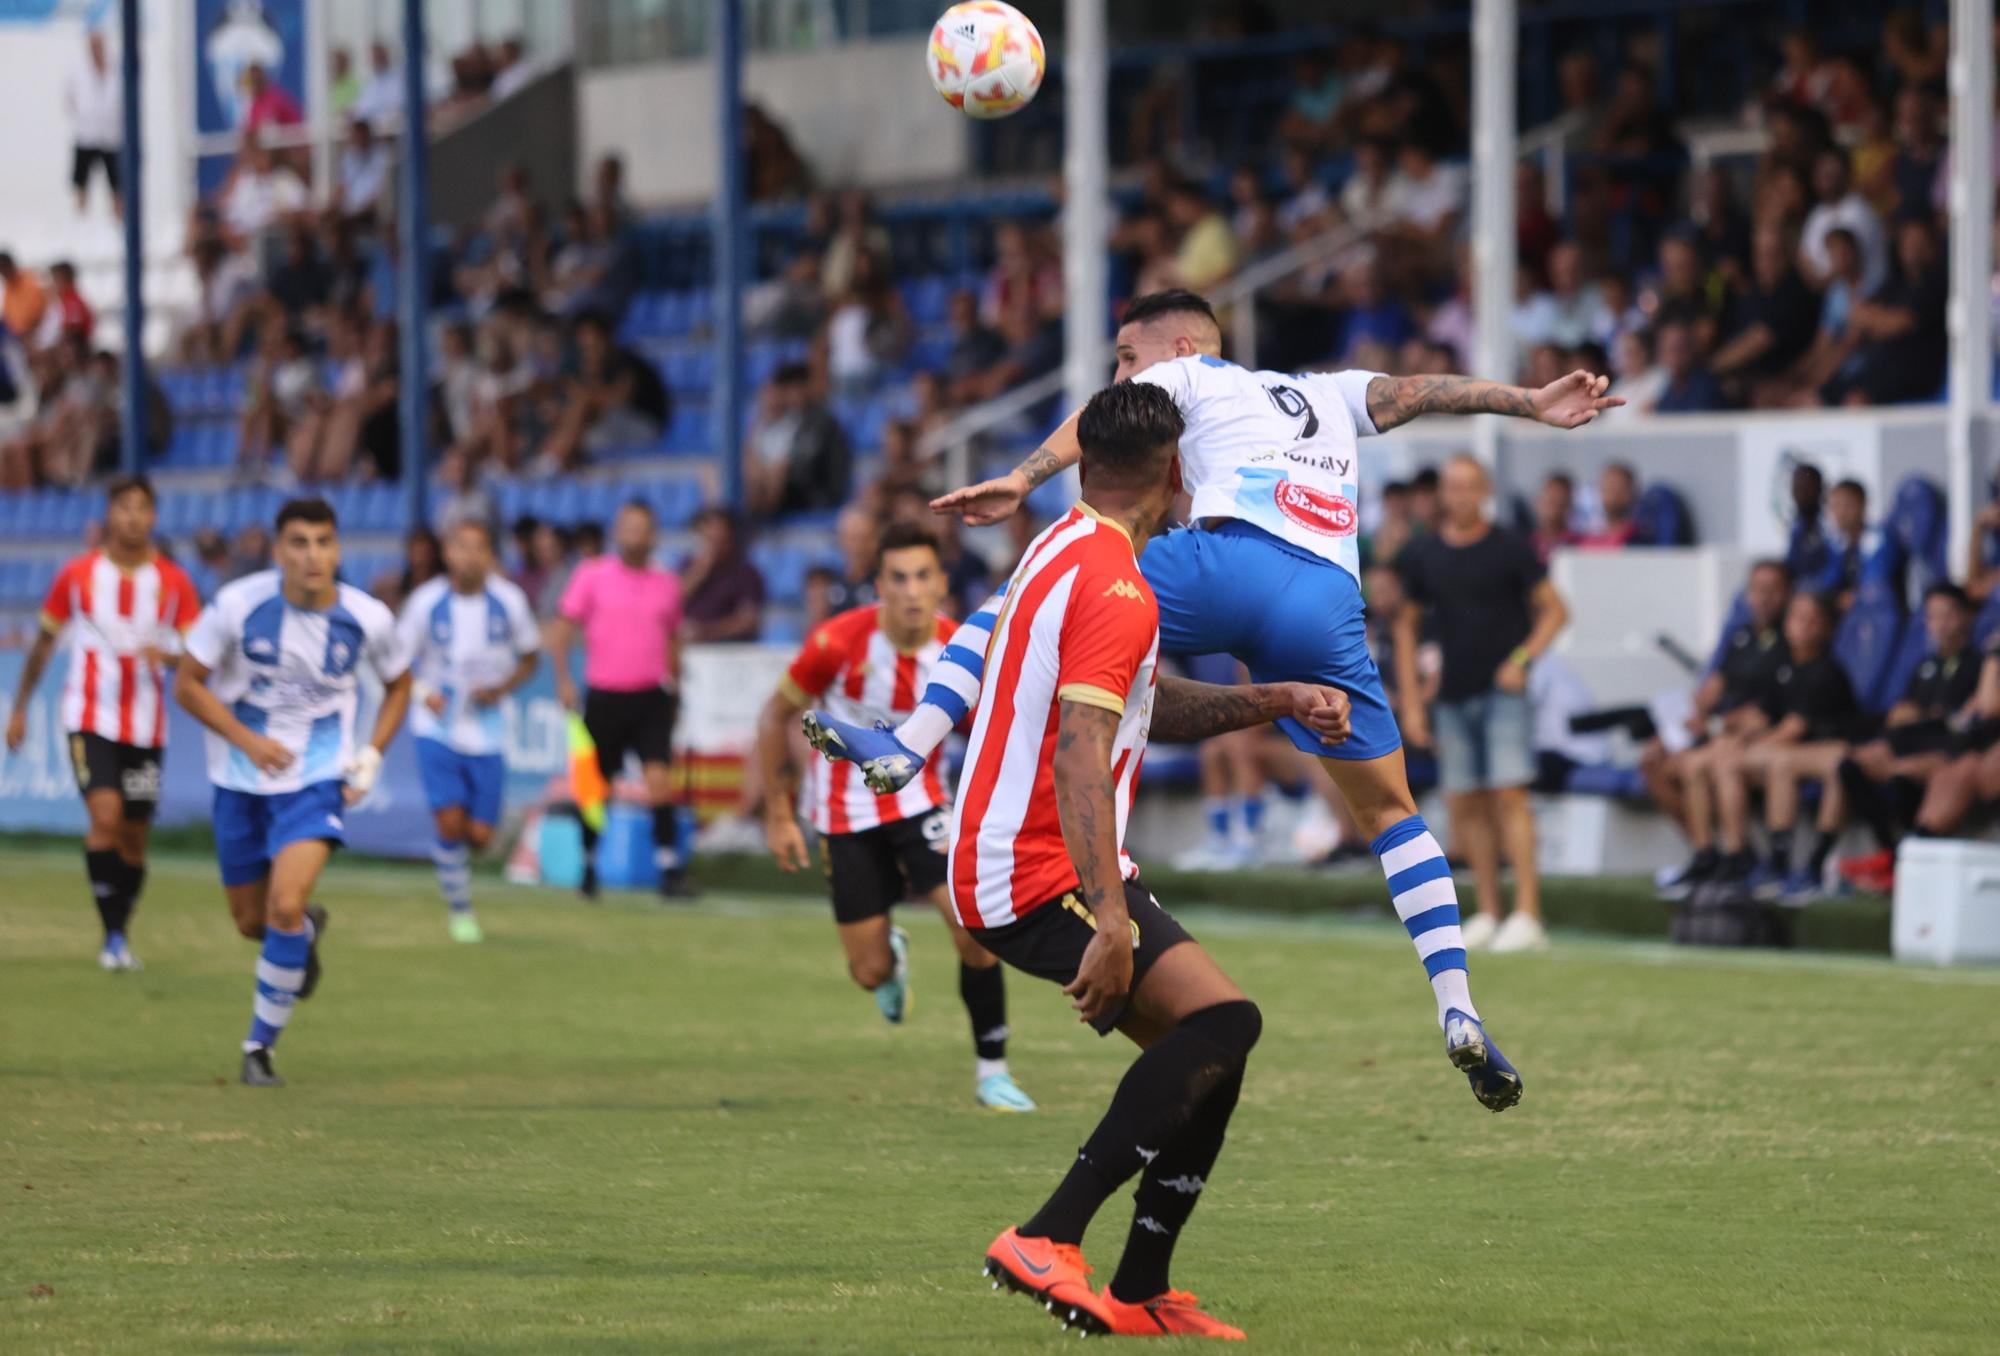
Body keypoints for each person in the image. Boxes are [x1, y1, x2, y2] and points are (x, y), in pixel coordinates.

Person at [811, 288, 1591, 1108]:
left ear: (1180, 348)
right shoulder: (1324, 390)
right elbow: (1422, 391)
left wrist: (1021, 474)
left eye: (1125, 356)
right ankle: (1458, 1008)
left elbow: (1102, 417)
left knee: (1029, 591)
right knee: (1393, 812)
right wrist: (1530, 403)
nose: (1121, 374)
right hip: (1326, 604)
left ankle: (911, 740)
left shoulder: (1193, 378)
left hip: (1229, 563)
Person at [957, 383, 1358, 1338]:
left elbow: (1142, 707)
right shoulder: (1119, 586)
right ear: (1180, 470)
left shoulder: (1063, 547)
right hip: (1031, 869)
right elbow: (1079, 753)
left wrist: (1279, 698)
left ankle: (1140, 1290)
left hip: (1030, 852)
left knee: (1216, 1043)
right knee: (1223, 1026)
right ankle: (1048, 1234)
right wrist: (1108, 920)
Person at [757, 522, 1036, 1113]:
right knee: (867, 971)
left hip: (920, 804)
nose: (911, 591)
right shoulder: (837, 644)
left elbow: (1002, 731)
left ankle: (993, 1072)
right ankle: (890, 961)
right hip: (844, 811)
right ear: (878, 584)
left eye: (923, 577)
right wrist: (780, 814)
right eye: (898, 578)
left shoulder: (961, 646)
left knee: (974, 932)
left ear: (941, 584)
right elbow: (773, 715)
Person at [173, 498, 414, 1087]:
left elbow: (400, 684)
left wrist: (373, 753)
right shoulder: (236, 605)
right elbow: (187, 684)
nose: (314, 556)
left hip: (315, 779)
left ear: (338, 549)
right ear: (278, 551)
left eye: (324, 542)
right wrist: (246, 741)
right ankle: (304, 930)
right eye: (300, 543)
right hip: (239, 780)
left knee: (281, 905)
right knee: (252, 921)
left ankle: (259, 1050)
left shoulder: (368, 617)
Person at [4, 477, 201, 971]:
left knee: (134, 837)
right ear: (109, 515)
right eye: (124, 507)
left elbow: (199, 655)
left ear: (154, 517)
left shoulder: (174, 582)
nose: (133, 517)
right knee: (106, 817)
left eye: (142, 508)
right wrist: (21, 706)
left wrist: (173, 655)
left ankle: (119, 929)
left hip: (147, 726)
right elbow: (45, 643)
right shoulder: (77, 575)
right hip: (88, 717)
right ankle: (112, 935)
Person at [1396, 456, 1570, 953]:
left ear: (1485, 491)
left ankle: (1528, 913)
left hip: (1503, 690)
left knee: (1509, 796)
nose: (1461, 496)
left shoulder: (1510, 547)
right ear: (1443, 493)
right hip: (1450, 694)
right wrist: (1411, 701)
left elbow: (1556, 611)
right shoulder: (1424, 553)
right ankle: (1489, 910)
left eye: (1471, 487)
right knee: (1464, 803)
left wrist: (1522, 658)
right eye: (1453, 487)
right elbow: (1406, 626)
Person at [396, 519, 542, 943]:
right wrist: (424, 693)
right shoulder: (425, 602)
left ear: (489, 555)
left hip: (488, 729)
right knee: (450, 822)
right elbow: (397, 662)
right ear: (447, 553)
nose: (470, 556)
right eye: (462, 547)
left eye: (479, 548)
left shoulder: (509, 601)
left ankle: (455, 866)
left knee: (480, 835)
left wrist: (502, 688)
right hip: (436, 728)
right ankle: (461, 911)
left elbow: (530, 656)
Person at [546, 500, 694, 899]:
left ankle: (668, 869)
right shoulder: (592, 575)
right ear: (617, 532)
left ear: (653, 535)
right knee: (597, 786)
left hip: (651, 696)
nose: (635, 536)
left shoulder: (667, 583)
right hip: (605, 694)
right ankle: (589, 866)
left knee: (659, 781)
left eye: (642, 528)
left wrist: (676, 688)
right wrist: (562, 679)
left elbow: (675, 639)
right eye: (628, 527)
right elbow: (561, 629)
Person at [1688, 591, 1857, 899]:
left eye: (1811, 620)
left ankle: (1790, 862)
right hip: (1790, 753)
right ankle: (1735, 857)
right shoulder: (1785, 667)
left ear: (1827, 629)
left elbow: (1793, 729)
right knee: (1720, 762)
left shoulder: (1825, 671)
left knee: (1777, 762)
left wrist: (1746, 747)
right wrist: (1723, 730)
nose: (1801, 626)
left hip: (1824, 751)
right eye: (1796, 617)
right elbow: (1762, 715)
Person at [1650, 559, 1794, 899]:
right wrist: (1686, 721)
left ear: (1787, 594)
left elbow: (1765, 713)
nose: (1764, 598)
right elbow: (1715, 685)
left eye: (1773, 590)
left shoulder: (1788, 643)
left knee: (1709, 763)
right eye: (1758, 590)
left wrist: (1717, 724)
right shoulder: (1741, 636)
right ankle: (1705, 854)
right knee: (1658, 761)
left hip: (1754, 737)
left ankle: (1736, 855)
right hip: (1721, 731)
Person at [1824, 585, 1980, 894]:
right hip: (1912, 742)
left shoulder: (1978, 664)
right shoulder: (1924, 667)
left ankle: (1906, 863)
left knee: (1903, 774)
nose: (1941, 623)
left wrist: (1926, 716)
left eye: (1949, 614)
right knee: (1850, 765)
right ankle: (1891, 852)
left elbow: (1967, 721)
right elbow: (1905, 714)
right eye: (1933, 616)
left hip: (1948, 749)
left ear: (1966, 618)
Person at [677, 508, 766, 644]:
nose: (715, 544)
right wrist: (700, 571)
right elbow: (672, 600)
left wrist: (704, 632)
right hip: (691, 651)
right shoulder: (688, 565)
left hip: (729, 653)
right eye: (710, 538)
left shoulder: (746, 573)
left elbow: (748, 622)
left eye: (720, 538)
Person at [66, 31, 122, 217]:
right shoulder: (79, 70)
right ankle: (80, 219)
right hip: (87, 133)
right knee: (81, 182)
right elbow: (70, 98)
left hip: (111, 134)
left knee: (117, 183)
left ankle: (119, 219)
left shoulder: (115, 68)